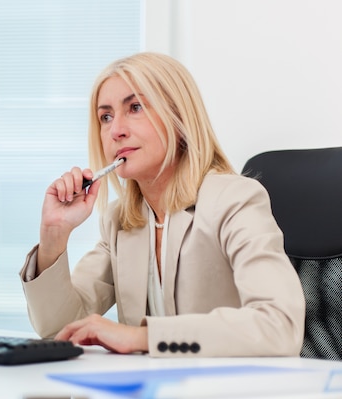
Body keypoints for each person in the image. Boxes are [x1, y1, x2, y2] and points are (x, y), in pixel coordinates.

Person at [19, 52, 306, 357]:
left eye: (135, 107)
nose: (116, 130)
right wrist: (53, 236)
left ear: (179, 118)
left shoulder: (234, 200)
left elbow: (280, 326)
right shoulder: (120, 220)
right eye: (106, 116)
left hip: (229, 396)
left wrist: (141, 338)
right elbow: (58, 329)